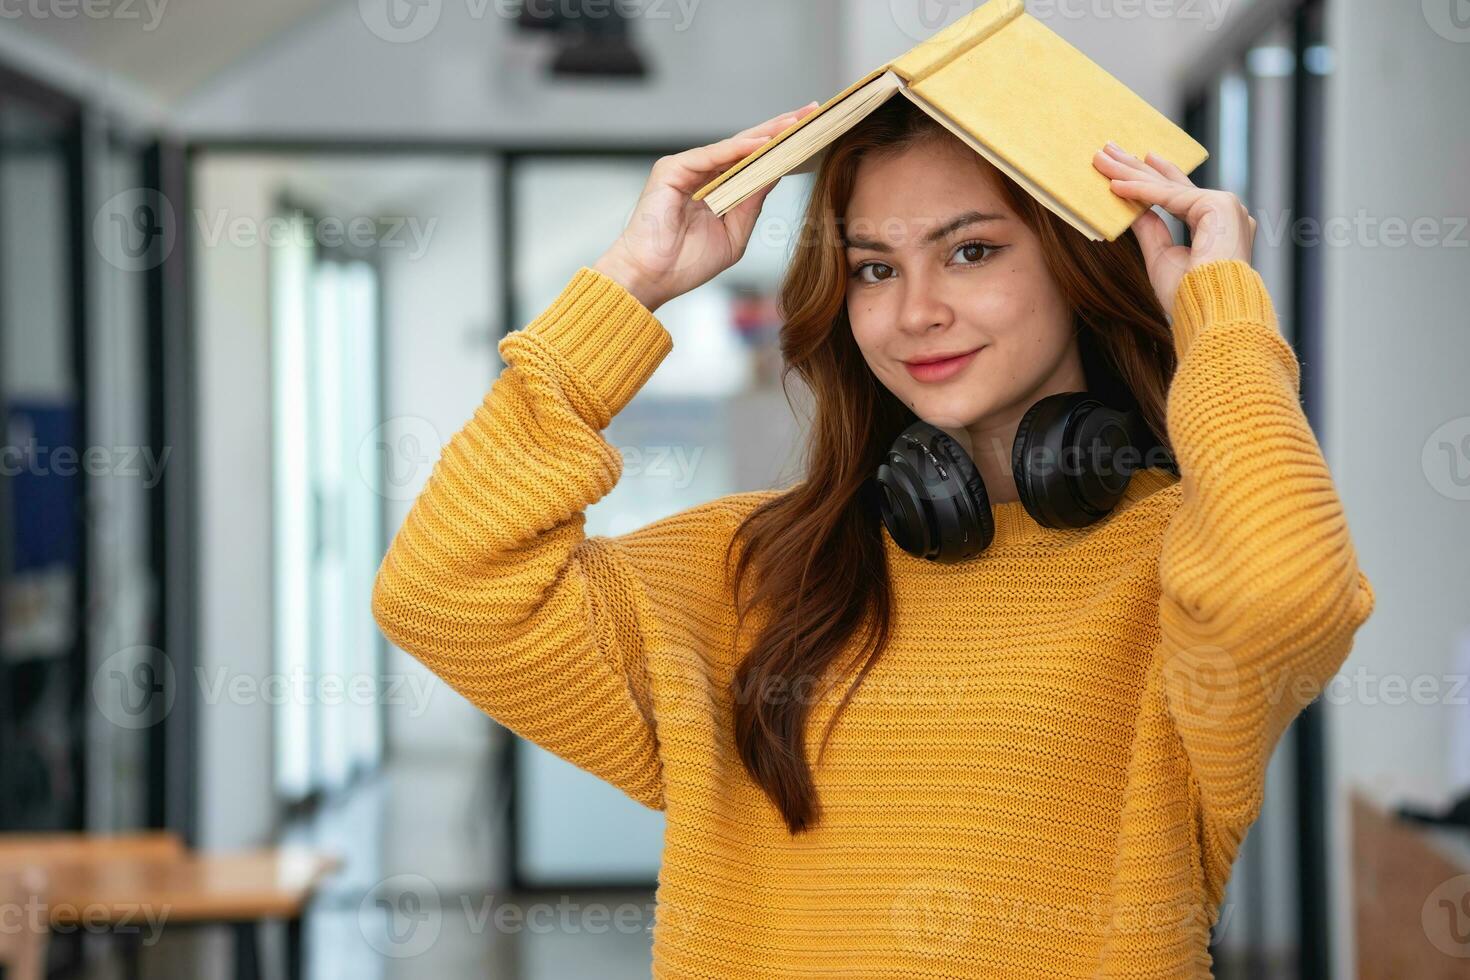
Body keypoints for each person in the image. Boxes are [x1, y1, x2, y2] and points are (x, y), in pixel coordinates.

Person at [371, 95, 1374, 978]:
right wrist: (627, 286)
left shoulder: (1178, 565)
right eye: (874, 268)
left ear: (1077, 266)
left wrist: (1222, 315)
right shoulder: (752, 568)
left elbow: (1289, 595)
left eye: (971, 250)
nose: (914, 312)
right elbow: (441, 589)